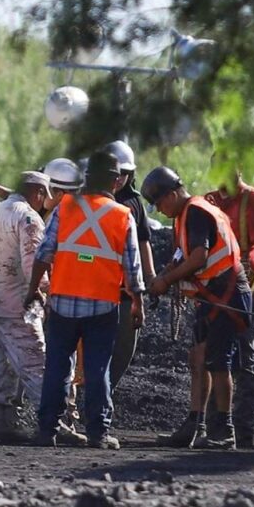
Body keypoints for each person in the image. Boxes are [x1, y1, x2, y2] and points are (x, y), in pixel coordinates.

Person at [26, 150, 145, 449]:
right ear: (117, 181)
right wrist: (138, 304)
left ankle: (46, 430)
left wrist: (32, 291)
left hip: (63, 303)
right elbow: (133, 268)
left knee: (56, 367)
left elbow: (43, 254)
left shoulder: (66, 206)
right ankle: (98, 434)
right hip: (102, 306)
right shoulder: (122, 216)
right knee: (97, 369)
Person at [142, 165, 252, 450]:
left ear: (173, 194)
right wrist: (167, 273)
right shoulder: (187, 214)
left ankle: (223, 430)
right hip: (212, 296)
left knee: (218, 363)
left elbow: (199, 258)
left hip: (225, 295)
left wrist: (165, 280)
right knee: (198, 359)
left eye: (159, 203)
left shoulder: (195, 212)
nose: (160, 210)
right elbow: (184, 256)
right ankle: (195, 424)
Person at [0, 171, 52, 443]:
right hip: (16, 304)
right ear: (37, 193)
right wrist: (42, 295)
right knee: (36, 363)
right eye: (46, 195)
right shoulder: (29, 218)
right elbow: (35, 262)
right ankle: (53, 424)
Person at [204, 159, 254, 447]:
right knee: (214, 356)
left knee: (244, 358)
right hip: (212, 290)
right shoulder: (210, 202)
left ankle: (242, 427)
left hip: (243, 290)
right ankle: (215, 426)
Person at [102, 140, 157, 390]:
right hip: (95, 289)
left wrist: (150, 278)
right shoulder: (87, 201)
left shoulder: (133, 203)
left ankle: (104, 393)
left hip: (125, 291)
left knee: (123, 349)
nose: (121, 178)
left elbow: (143, 242)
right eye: (117, 173)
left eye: (126, 173)